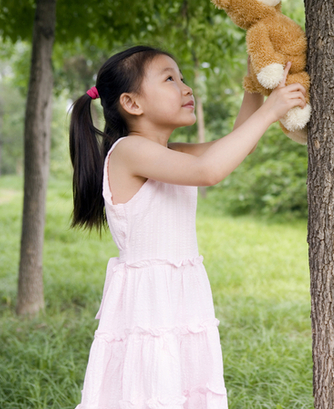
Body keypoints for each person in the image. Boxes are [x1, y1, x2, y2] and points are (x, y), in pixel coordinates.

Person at [69, 45, 306, 408]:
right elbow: (208, 172)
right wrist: (271, 111)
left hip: (181, 295)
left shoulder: (171, 152)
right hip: (149, 303)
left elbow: (234, 147)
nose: (186, 87)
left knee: (185, 389)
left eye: (182, 77)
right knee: (152, 391)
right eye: (169, 79)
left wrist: (253, 85)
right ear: (133, 104)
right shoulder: (128, 151)